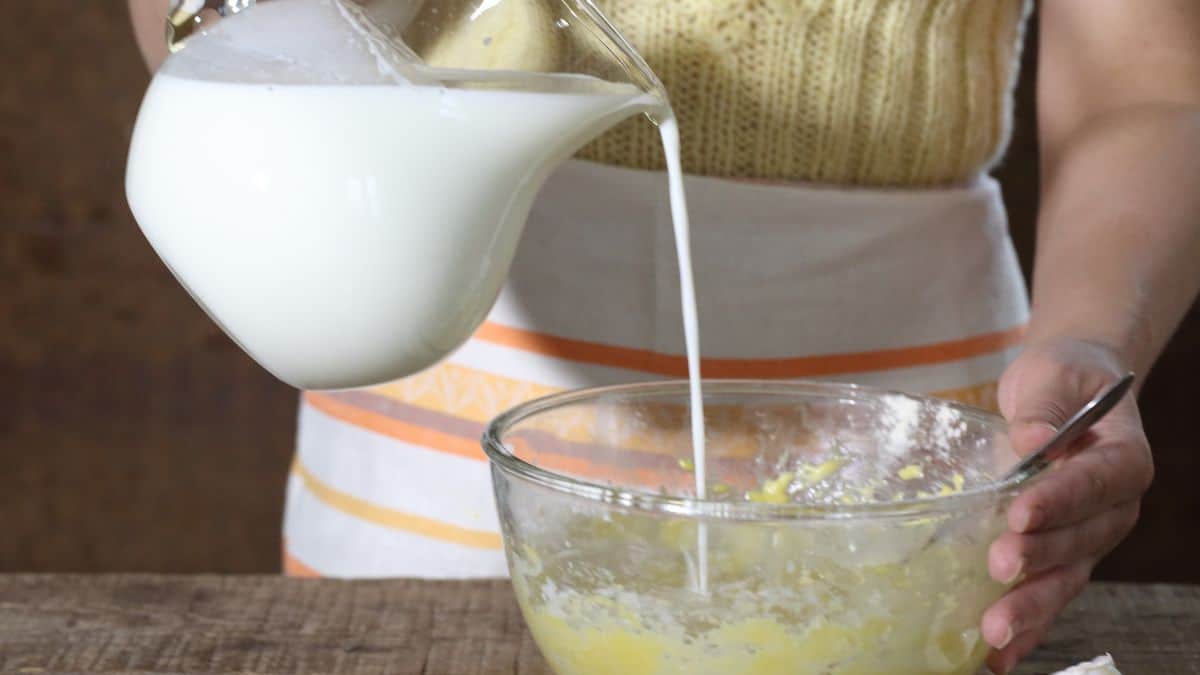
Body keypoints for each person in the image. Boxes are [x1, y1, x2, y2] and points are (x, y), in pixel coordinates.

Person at [129, 1, 1199, 671]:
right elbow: (196, 20)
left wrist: (1093, 343)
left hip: (909, 450)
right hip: (438, 396)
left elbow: (1145, 84)